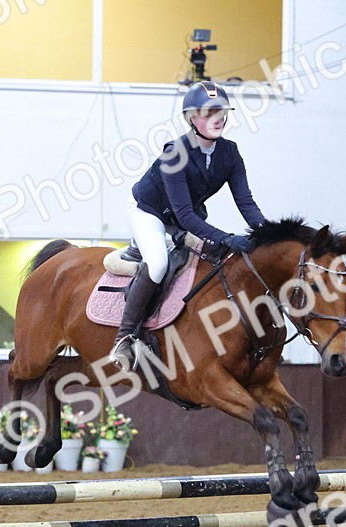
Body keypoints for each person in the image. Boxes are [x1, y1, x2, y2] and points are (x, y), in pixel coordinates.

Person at [111, 81, 267, 371]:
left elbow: (245, 201)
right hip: (150, 212)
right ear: (192, 118)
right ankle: (125, 337)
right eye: (209, 113)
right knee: (157, 263)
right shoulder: (175, 154)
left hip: (185, 216)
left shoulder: (230, 153)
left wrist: (270, 234)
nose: (218, 117)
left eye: (221, 111)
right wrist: (227, 237)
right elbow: (183, 215)